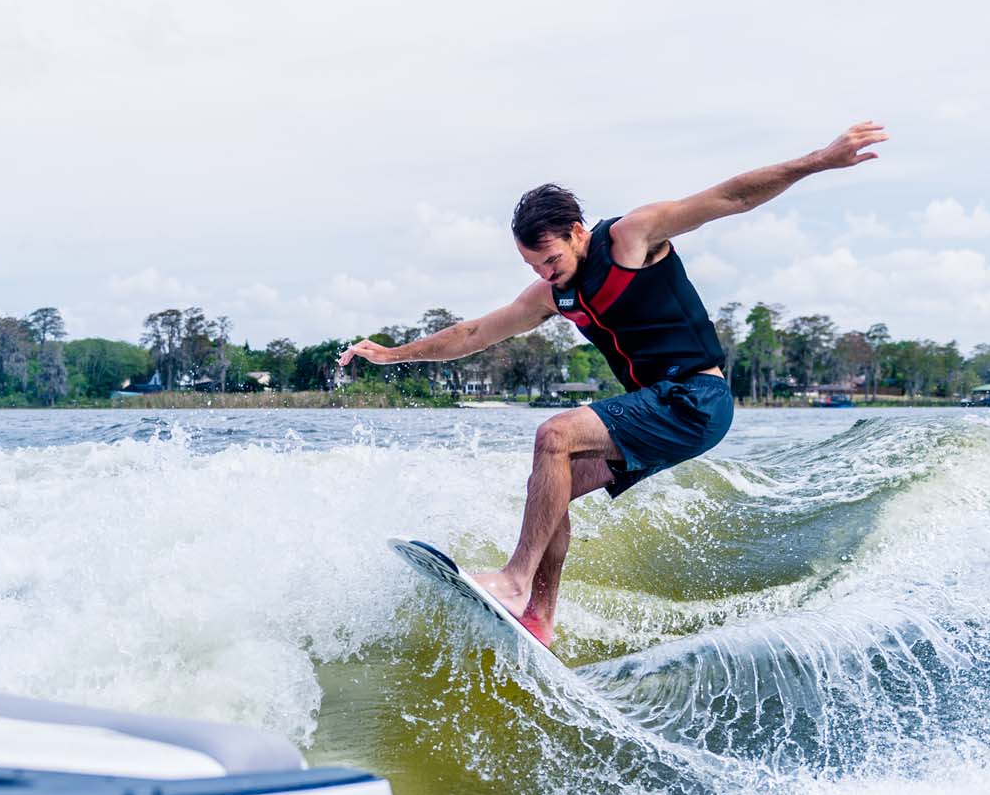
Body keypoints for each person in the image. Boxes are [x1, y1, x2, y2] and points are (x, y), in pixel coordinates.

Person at [340, 122, 888, 644]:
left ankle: (512, 581)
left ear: (578, 233)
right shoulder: (552, 294)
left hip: (697, 398)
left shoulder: (632, 237)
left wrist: (821, 160)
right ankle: (538, 616)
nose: (544, 274)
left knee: (554, 434)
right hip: (660, 407)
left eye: (550, 259)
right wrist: (392, 355)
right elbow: (475, 332)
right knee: (550, 483)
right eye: (533, 266)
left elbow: (732, 197)